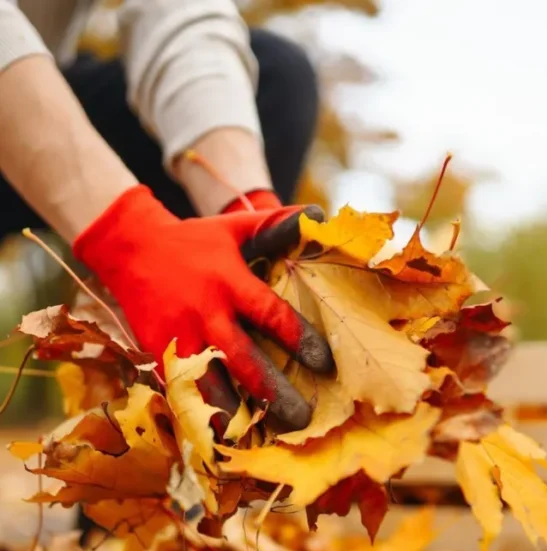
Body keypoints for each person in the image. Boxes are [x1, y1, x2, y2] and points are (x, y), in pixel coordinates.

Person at [0, 1, 335, 434]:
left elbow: (177, 11)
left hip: (30, 87)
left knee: (274, 72)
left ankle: (174, 432)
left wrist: (245, 206)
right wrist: (127, 234)